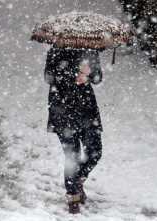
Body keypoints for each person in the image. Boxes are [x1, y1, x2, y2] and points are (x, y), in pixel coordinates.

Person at [44, 46, 103, 214]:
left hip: (87, 111)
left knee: (95, 151)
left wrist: (89, 74)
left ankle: (76, 181)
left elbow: (98, 78)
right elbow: (49, 77)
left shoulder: (90, 50)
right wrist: (75, 75)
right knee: (73, 156)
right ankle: (73, 198)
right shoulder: (55, 51)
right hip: (62, 110)